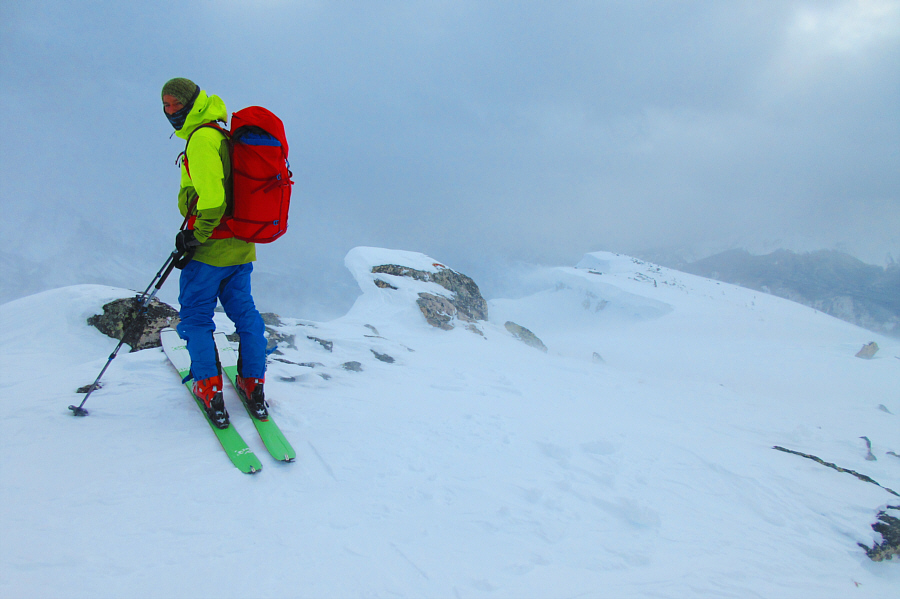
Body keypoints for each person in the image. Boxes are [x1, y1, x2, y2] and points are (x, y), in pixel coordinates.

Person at [161, 77, 268, 428]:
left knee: (195, 318)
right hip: (241, 246)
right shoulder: (220, 132)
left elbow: (213, 200)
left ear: (192, 101)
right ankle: (253, 383)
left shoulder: (202, 140)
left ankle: (209, 389)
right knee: (246, 315)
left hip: (211, 250)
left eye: (176, 103)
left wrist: (195, 237)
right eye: (165, 105)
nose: (169, 111)